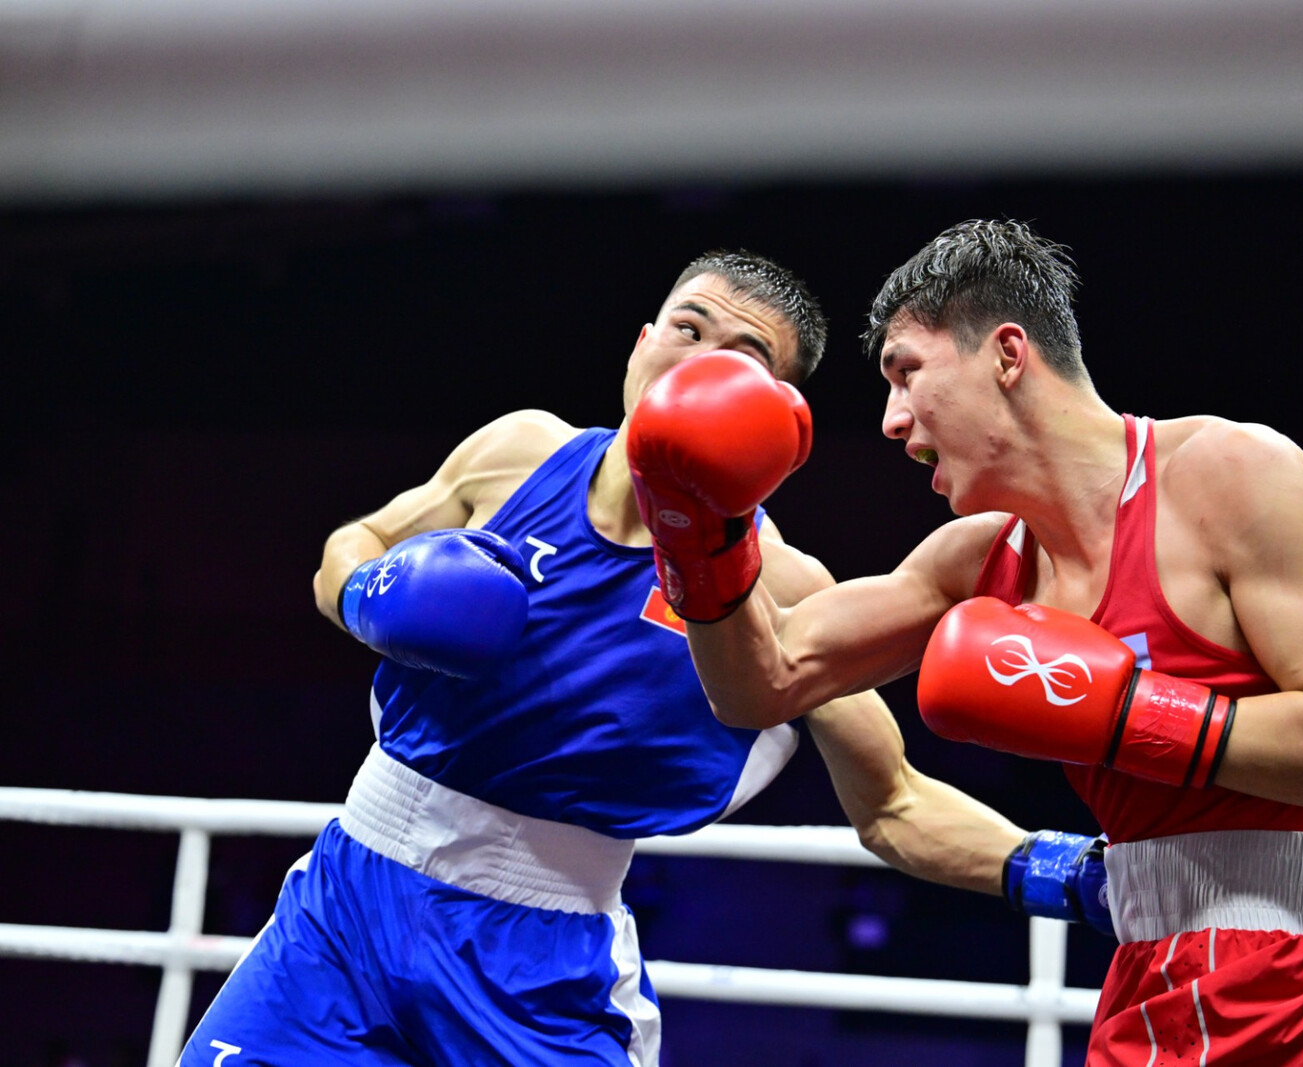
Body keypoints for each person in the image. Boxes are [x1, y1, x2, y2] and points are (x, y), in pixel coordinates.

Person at [177, 248, 1110, 1067]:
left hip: (538, 968)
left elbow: (894, 802)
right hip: (345, 904)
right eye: (686, 329)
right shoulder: (518, 454)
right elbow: (356, 542)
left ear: (780, 421)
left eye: (740, 359)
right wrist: (368, 594)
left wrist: (1065, 870)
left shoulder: (783, 591)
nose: (697, 362)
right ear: (640, 343)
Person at [630, 220, 1303, 1066]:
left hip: (1292, 992)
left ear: (1007, 355)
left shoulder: (1231, 473)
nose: (892, 420)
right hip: (1143, 976)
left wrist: (1122, 710)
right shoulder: (978, 562)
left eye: (907, 373)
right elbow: (761, 682)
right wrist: (697, 532)